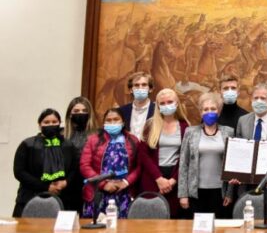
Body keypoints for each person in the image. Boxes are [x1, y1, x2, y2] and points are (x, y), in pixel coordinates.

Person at [13, 109, 78, 217]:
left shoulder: (68, 145)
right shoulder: (27, 145)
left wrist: (65, 182)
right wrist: (46, 187)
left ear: (60, 123)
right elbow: (19, 172)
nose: (50, 125)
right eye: (46, 122)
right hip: (29, 198)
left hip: (62, 199)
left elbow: (74, 168)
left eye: (54, 122)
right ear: (39, 125)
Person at [178, 92, 234, 218]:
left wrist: (229, 193)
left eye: (213, 109)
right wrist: (183, 194)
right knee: (197, 228)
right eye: (205, 109)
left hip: (220, 191)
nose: (209, 112)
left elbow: (232, 165)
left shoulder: (229, 132)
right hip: (195, 192)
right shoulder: (190, 132)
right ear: (200, 112)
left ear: (219, 111)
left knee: (219, 227)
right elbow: (183, 164)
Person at [139, 88, 191, 218]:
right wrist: (159, 178)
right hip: (153, 178)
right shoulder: (150, 125)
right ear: (157, 106)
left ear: (177, 103)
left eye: (170, 102)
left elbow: (186, 158)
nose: (166, 105)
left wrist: (173, 180)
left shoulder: (185, 126)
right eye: (162, 103)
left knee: (174, 219)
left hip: (175, 179)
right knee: (152, 220)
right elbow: (143, 155)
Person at [80, 108, 141, 218]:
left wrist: (126, 182)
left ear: (123, 122)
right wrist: (103, 184)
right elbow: (85, 166)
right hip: (97, 192)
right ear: (103, 123)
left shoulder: (133, 140)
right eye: (108, 120)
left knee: (124, 227)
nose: (112, 122)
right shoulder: (93, 140)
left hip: (124, 192)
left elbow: (139, 166)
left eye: (116, 119)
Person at [63, 96, 99, 210]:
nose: (80, 113)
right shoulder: (62, 135)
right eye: (76, 111)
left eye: (84, 111)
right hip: (68, 184)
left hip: (90, 182)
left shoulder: (98, 134)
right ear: (70, 114)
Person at [118, 71, 155, 139]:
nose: (140, 88)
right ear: (131, 90)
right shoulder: (121, 111)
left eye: (144, 85)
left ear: (150, 89)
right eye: (136, 85)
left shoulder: (157, 110)